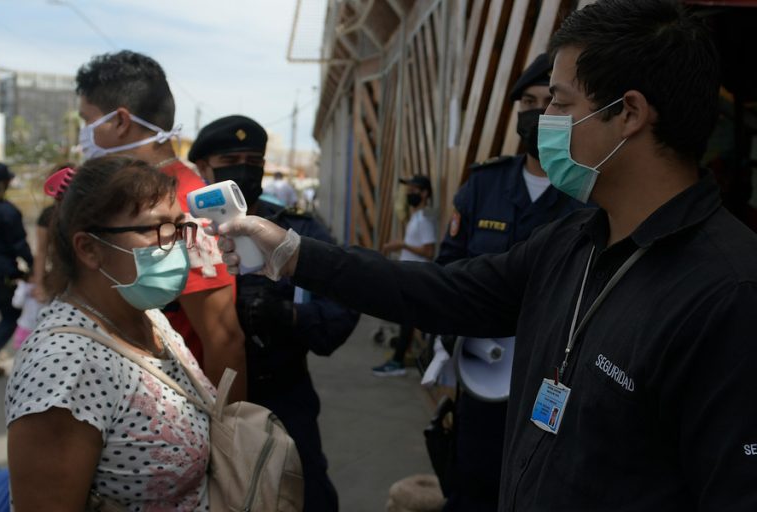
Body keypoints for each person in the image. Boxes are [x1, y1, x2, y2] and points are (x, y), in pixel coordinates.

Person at [214, 1, 757, 510]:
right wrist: (294, 254)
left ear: (629, 113)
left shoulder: (730, 294)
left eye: (560, 102)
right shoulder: (574, 240)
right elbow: (443, 291)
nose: (545, 121)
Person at [5, 156, 213, 510]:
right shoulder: (64, 369)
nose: (176, 243)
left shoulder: (146, 316)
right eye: (155, 228)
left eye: (179, 226)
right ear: (89, 249)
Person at [434, 54, 583, 512]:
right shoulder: (484, 184)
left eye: (548, 102)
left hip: (556, 379)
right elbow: (449, 268)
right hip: (483, 373)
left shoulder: (587, 193)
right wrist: (450, 342)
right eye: (528, 103)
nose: (536, 114)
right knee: (473, 485)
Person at [188, 115, 360, 512]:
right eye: (231, 160)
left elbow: (341, 310)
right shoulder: (179, 232)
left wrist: (287, 315)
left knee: (306, 496)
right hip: (198, 402)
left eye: (254, 161)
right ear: (203, 168)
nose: (244, 170)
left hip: (284, 397)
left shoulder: (295, 229)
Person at [75, 51, 247, 401]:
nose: (84, 135)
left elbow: (223, 337)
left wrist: (228, 427)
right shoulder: (131, 193)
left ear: (120, 121)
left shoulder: (184, 205)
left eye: (87, 121)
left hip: (171, 408)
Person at [372, 174, 437, 376]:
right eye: (409, 190)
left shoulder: (424, 219)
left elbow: (429, 251)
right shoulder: (415, 217)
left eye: (414, 190)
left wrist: (402, 245)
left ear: (424, 193)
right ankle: (401, 359)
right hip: (411, 275)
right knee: (408, 320)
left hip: (418, 277)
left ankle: (398, 362)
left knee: (408, 321)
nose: (409, 194)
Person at [0, 161, 33, 378]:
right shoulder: (7, 211)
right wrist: (33, 266)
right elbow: (19, 245)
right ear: (5, 183)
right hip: (2, 273)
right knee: (12, 314)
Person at [32, 162, 76, 303]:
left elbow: (41, 252)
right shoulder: (48, 215)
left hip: (79, 277)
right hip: (60, 277)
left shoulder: (87, 212)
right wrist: (38, 285)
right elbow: (41, 252)